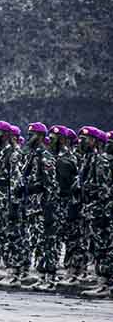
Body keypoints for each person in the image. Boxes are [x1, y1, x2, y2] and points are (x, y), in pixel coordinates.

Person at [19, 122, 60, 291]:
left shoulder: (46, 157)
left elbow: (52, 185)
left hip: (43, 206)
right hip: (33, 206)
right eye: (28, 134)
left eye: (33, 134)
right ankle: (42, 275)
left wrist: (50, 208)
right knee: (36, 242)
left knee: (46, 243)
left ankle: (50, 278)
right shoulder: (33, 155)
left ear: (42, 137)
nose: (29, 137)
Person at [0, 121, 26, 287]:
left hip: (9, 201)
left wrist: (14, 205)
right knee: (2, 236)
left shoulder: (13, 153)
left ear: (5, 135)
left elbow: (16, 181)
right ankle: (9, 269)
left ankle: (15, 272)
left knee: (12, 237)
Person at [76, 126, 112, 297]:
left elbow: (104, 191)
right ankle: (102, 281)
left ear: (96, 142)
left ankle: (106, 283)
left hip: (100, 211)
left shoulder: (100, 161)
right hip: (91, 210)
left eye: (86, 139)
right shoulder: (88, 159)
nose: (82, 142)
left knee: (103, 247)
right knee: (96, 246)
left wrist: (102, 213)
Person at [49, 125, 87, 286]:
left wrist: (75, 204)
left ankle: (75, 270)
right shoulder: (53, 157)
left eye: (54, 137)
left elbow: (79, 183)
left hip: (71, 203)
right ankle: (66, 269)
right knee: (59, 236)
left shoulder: (72, 158)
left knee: (74, 238)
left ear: (64, 139)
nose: (51, 140)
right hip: (57, 202)